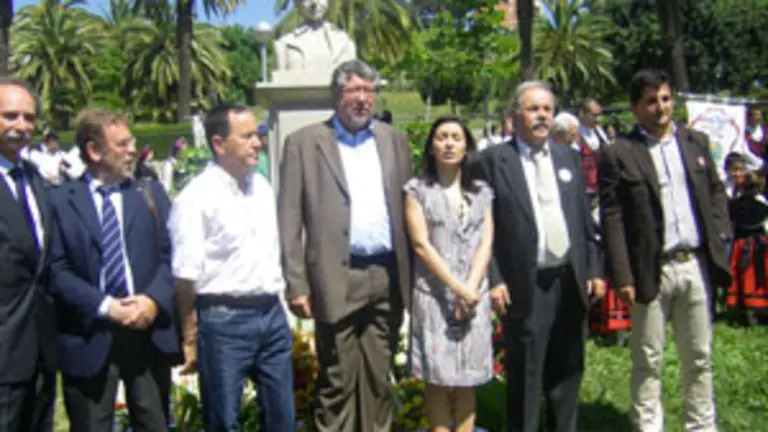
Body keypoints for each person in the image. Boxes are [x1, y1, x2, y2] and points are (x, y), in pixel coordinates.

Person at [279, 59, 413, 432]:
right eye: (354, 90)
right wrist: (296, 283)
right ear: (337, 95)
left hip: (386, 275)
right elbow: (289, 219)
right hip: (336, 277)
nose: (363, 99)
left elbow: (410, 207)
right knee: (336, 379)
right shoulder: (304, 143)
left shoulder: (394, 140)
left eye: (369, 90)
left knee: (379, 378)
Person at [598, 69, 731, 432]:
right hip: (650, 270)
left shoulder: (695, 142)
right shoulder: (619, 153)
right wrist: (622, 274)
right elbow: (612, 217)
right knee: (648, 359)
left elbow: (716, 192)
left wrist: (721, 234)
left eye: (666, 99)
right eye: (651, 101)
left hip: (695, 265)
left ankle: (701, 425)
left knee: (699, 356)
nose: (661, 108)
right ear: (635, 107)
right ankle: (647, 425)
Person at [473, 81, 604, 432]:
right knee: (526, 376)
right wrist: (494, 278)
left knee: (568, 370)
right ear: (515, 115)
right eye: (533, 109)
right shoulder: (493, 161)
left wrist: (594, 269)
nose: (542, 116)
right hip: (524, 283)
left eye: (547, 109)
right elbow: (482, 228)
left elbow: (583, 220)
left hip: (569, 279)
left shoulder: (568, 157)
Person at [48, 108, 180, 431]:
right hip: (90, 335)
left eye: (132, 142)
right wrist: (107, 307)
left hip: (146, 333)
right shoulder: (60, 201)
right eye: (122, 144)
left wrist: (152, 300)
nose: (133, 150)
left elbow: (173, 255)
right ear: (94, 150)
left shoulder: (150, 194)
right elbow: (56, 270)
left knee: (154, 422)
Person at [169, 103, 295, 431]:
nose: (257, 143)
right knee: (224, 421)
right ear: (219, 144)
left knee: (283, 418)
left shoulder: (262, 188)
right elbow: (185, 276)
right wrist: (190, 336)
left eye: (258, 135)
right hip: (224, 321)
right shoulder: (195, 199)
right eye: (246, 136)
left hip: (271, 315)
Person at [404, 116, 504, 431]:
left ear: (466, 147)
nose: (449, 143)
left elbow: (486, 241)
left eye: (456, 138)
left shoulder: (482, 192)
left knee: (467, 380)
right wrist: (457, 289)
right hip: (434, 297)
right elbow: (421, 245)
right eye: (442, 137)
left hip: (474, 295)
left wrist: (471, 289)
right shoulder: (417, 191)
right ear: (431, 146)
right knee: (436, 379)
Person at [0, 77, 56, 432]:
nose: (21, 126)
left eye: (29, 117)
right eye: (10, 116)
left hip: (38, 350)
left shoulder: (33, 178)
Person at [725, 169, 768, 322]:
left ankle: (741, 308)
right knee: (757, 276)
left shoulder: (734, 205)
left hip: (741, 244)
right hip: (759, 244)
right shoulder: (762, 204)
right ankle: (761, 308)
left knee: (742, 275)